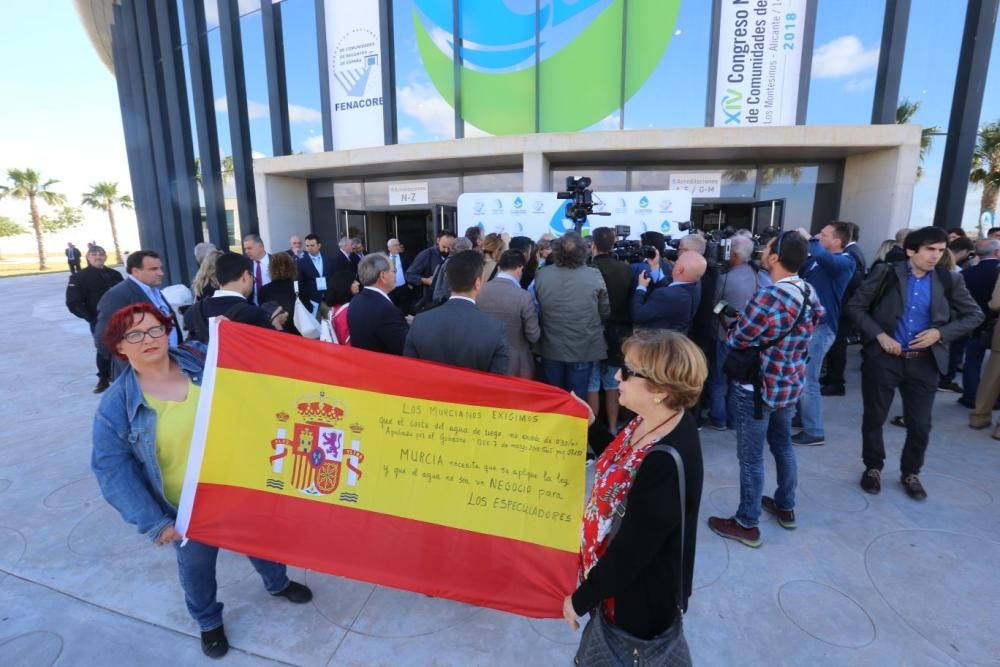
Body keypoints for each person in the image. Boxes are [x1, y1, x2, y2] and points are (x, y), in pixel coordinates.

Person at [92, 303, 312, 658]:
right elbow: (111, 471)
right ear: (119, 346)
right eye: (134, 334)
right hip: (185, 507)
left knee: (259, 540)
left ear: (168, 331)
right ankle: (208, 620)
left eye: (155, 329)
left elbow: (250, 363)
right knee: (196, 567)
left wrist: (236, 334)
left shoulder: (197, 357)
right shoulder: (117, 406)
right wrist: (156, 524)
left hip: (234, 485)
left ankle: (277, 583)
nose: (148, 339)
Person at [565, 330, 705, 663]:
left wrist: (579, 600)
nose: (617, 376)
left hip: (634, 604)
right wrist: (592, 425)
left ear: (659, 390)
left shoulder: (665, 461)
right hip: (612, 586)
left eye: (627, 371)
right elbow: (619, 466)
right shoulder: (652, 421)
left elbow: (631, 554)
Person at [847, 226, 983, 501]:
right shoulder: (886, 273)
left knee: (920, 423)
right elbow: (855, 307)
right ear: (911, 250)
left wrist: (940, 333)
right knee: (875, 417)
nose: (936, 256)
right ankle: (873, 467)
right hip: (884, 359)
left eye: (941, 250)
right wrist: (880, 336)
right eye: (930, 250)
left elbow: (974, 315)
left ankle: (911, 472)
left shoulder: (948, 281)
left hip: (924, 363)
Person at [708, 232, 823, 548]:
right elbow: (813, 323)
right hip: (789, 383)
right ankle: (785, 506)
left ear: (774, 258)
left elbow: (738, 339)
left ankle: (747, 522)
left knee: (751, 458)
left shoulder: (770, 297)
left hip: (756, 389)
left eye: (768, 248)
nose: (763, 251)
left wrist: (737, 321)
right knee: (783, 446)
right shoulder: (808, 290)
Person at [791, 223, 855, 446]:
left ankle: (814, 430)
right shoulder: (819, 261)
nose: (819, 236)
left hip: (822, 327)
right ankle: (803, 417)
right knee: (801, 375)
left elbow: (820, 254)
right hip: (809, 324)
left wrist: (808, 237)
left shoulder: (845, 262)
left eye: (824, 235)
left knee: (809, 378)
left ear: (837, 241)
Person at [404, 250, 509, 373]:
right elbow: (499, 381)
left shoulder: (420, 322)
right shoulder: (495, 328)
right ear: (478, 283)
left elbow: (409, 372)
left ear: (448, 280)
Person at [534, 233, 610, 398]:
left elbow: (536, 308)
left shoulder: (542, 274)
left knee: (554, 397)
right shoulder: (593, 275)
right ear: (583, 252)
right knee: (577, 398)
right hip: (582, 345)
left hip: (551, 345)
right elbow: (604, 311)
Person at [706, 235, 769, 430]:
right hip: (752, 338)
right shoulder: (761, 276)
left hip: (726, 335)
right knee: (738, 379)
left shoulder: (725, 279)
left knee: (718, 378)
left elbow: (714, 306)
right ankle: (733, 419)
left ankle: (719, 418)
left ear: (733, 254)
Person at [94, 250, 184, 379]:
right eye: (153, 269)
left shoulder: (154, 290)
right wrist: (134, 362)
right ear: (135, 271)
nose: (161, 273)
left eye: (160, 268)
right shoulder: (117, 296)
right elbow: (103, 340)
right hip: (141, 374)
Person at [588, 227, 634, 432]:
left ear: (593, 245)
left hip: (594, 331)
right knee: (612, 384)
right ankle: (613, 429)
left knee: (592, 383)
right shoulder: (626, 269)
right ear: (613, 244)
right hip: (620, 333)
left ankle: (594, 431)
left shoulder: (588, 270)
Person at [184, 252, 288, 342]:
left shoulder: (192, 312)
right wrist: (276, 323)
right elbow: (279, 350)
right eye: (253, 277)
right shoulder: (254, 315)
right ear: (245, 276)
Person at [66, 245, 124, 392]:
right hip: (99, 320)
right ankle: (104, 377)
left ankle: (124, 375)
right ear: (88, 257)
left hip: (123, 319)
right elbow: (73, 302)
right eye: (94, 254)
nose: (98, 257)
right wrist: (91, 318)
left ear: (105, 256)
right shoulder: (78, 277)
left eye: (101, 254)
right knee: (104, 348)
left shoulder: (115, 274)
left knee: (126, 346)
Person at [476, 249, 540, 379]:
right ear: (520, 268)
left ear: (499, 267)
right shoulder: (523, 296)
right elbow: (534, 335)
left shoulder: (480, 291)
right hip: (516, 364)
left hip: (485, 360)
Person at [821, 222, 867, 397]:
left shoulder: (850, 255)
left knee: (837, 346)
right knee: (835, 346)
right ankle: (832, 378)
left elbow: (854, 282)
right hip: (843, 307)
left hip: (843, 308)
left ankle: (836, 382)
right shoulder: (853, 252)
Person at [953, 239, 1000, 408]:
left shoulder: (967, 273)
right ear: (997, 253)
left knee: (972, 361)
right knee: (995, 367)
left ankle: (970, 397)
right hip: (994, 324)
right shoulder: (998, 272)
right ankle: (993, 400)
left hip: (974, 324)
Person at [630, 251, 707, 334]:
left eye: (676, 263)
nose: (674, 263)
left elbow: (638, 315)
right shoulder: (695, 284)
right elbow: (673, 287)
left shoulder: (668, 295)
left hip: (659, 343)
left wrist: (641, 287)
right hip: (677, 339)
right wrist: (655, 267)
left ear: (679, 270)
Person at [348, 253, 410, 355]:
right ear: (383, 276)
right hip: (386, 368)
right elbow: (406, 348)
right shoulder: (386, 310)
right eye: (394, 271)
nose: (396, 275)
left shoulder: (355, 301)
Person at [260, 251, 304, 336]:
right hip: (298, 330)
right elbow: (307, 308)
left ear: (271, 268)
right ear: (292, 267)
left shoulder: (264, 290)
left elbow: (265, 312)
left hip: (276, 331)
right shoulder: (298, 286)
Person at [405, 230, 454, 307]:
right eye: (444, 247)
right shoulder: (426, 254)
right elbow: (409, 275)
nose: (446, 250)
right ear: (438, 240)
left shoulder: (453, 256)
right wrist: (426, 280)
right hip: (430, 303)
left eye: (450, 248)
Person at [296, 233, 336, 312]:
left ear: (319, 245)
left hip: (329, 301)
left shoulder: (329, 260)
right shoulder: (300, 263)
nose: (309, 248)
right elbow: (299, 284)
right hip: (312, 303)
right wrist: (306, 302)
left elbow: (334, 279)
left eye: (312, 245)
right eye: (307, 246)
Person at [320, 271, 358, 345]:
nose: (357, 283)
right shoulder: (347, 312)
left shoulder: (336, 308)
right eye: (354, 282)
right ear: (346, 285)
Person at [242, 233, 272, 305]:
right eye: (245, 249)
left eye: (249, 248)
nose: (246, 251)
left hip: (273, 306)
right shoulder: (245, 264)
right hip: (252, 306)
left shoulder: (274, 261)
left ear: (261, 247)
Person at [386, 238, 412, 312]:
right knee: (391, 309)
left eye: (398, 245)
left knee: (405, 309)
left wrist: (410, 284)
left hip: (403, 287)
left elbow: (410, 270)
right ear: (389, 248)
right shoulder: (384, 258)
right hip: (390, 289)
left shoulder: (405, 257)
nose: (398, 247)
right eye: (395, 245)